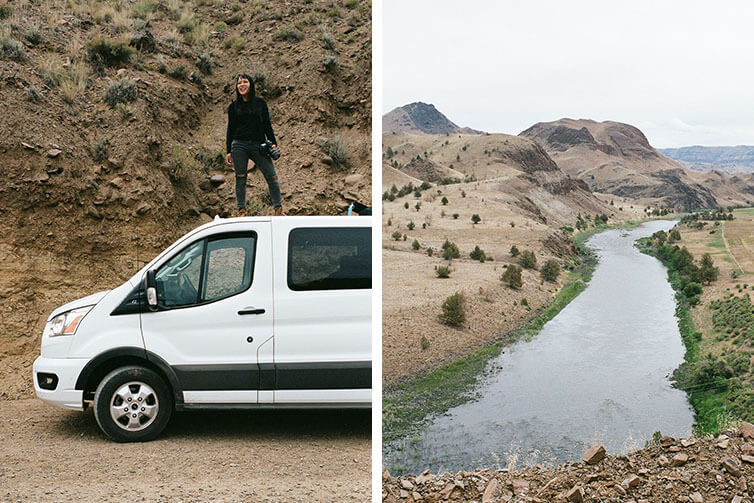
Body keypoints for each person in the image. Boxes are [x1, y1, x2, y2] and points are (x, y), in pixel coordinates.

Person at [225, 73, 283, 216]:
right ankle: (242, 210)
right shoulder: (233, 106)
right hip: (239, 145)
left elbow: (267, 124)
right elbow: (230, 129)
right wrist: (228, 150)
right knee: (240, 177)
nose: (242, 85)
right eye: (239, 83)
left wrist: (272, 141)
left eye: (245, 82)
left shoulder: (260, 103)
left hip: (259, 144)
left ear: (250, 85)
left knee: (272, 176)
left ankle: (278, 209)